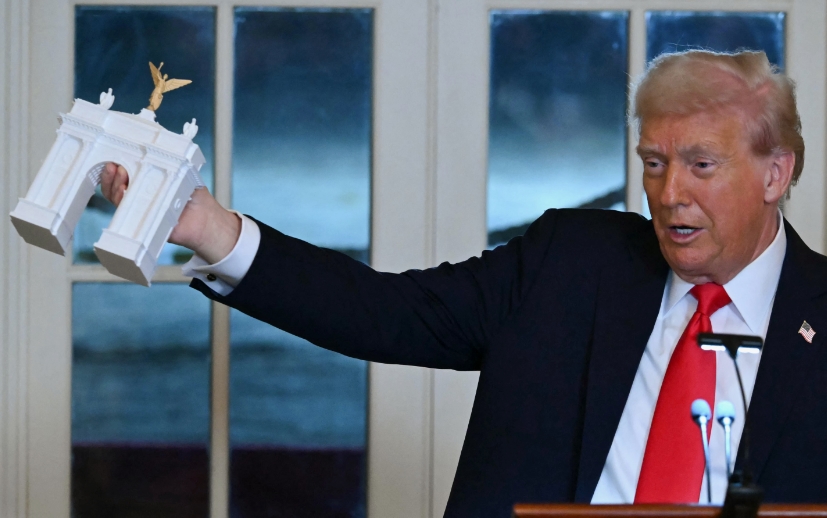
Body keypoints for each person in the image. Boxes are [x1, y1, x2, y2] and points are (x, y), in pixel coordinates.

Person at [102, 50, 827, 515]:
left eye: (700, 166)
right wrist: (209, 228)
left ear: (775, 173)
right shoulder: (569, 264)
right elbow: (384, 313)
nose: (668, 195)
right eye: (653, 164)